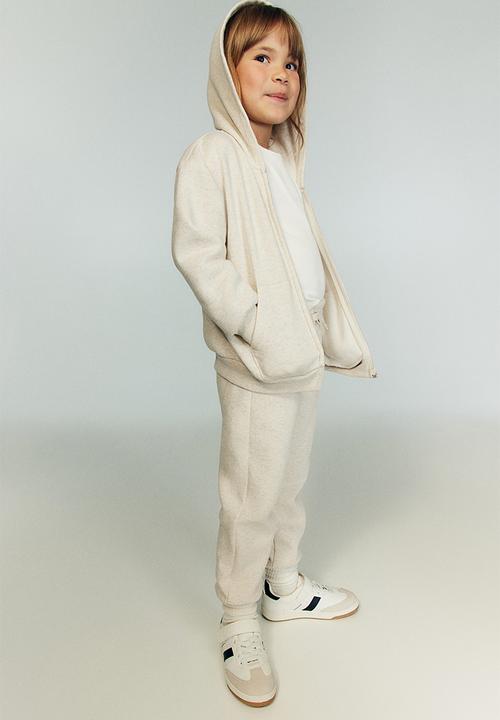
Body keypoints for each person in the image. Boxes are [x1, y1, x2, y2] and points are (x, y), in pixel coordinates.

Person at [171, 0, 378, 707]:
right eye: (262, 57)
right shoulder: (213, 156)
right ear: (226, 72)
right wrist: (256, 322)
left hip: (302, 350)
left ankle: (283, 585)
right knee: (252, 492)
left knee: (288, 482)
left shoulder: (282, 160)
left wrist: (307, 328)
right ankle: (238, 617)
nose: (282, 73)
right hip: (259, 356)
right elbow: (199, 252)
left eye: (292, 62)